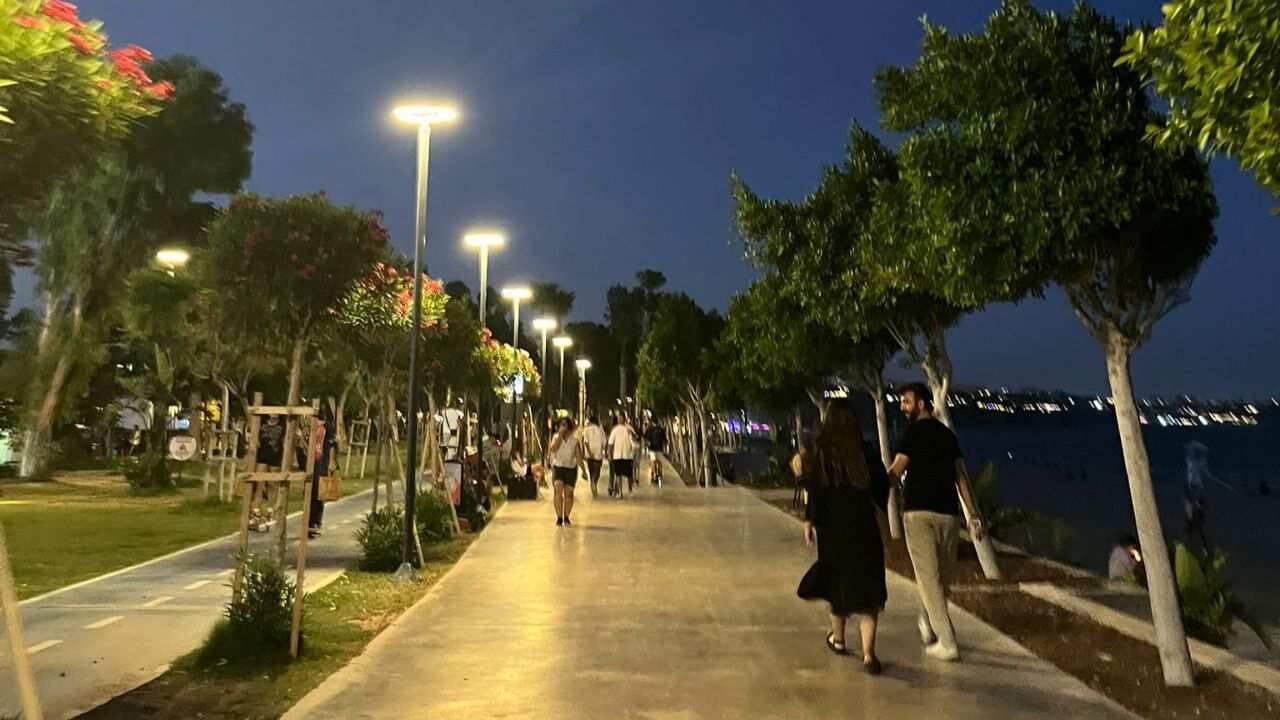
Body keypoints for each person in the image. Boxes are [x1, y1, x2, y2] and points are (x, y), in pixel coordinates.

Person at [886, 382, 984, 663]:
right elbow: (961, 477)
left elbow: (896, 470)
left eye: (906, 402)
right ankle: (930, 624)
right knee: (938, 578)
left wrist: (875, 490)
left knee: (932, 580)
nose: (902, 407)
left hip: (920, 515)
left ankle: (947, 641)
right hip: (947, 516)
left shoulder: (912, 434)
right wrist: (972, 514)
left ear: (921, 404)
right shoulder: (948, 435)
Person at [797, 400, 890, 675]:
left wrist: (809, 521)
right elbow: (880, 487)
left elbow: (816, 492)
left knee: (837, 584)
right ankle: (869, 654)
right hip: (864, 528)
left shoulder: (822, 454)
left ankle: (838, 639)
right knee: (868, 590)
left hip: (833, 530)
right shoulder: (865, 452)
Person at [250, 414, 285, 532]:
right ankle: (255, 513)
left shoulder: (283, 424)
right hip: (262, 455)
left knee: (272, 485)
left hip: (276, 456)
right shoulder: (262, 422)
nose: (274, 414)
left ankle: (270, 512)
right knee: (259, 484)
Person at [548, 417, 585, 525]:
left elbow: (578, 457)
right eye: (561, 425)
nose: (563, 427)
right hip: (558, 467)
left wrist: (583, 470)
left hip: (570, 469)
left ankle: (566, 516)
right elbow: (553, 449)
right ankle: (559, 517)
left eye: (565, 425)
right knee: (558, 490)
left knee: (569, 494)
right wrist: (560, 436)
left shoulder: (574, 441)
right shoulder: (556, 437)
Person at [307, 408, 335, 539]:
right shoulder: (309, 428)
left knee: (320, 494)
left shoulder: (327, 429)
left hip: (322, 463)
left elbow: (331, 446)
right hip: (310, 463)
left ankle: (316, 522)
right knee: (310, 493)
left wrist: (331, 462)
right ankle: (309, 523)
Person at [1183, 441, 1214, 549]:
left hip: (1195, 487)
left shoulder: (1195, 462)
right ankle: (1192, 526)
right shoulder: (1192, 462)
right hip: (1193, 486)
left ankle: (1193, 526)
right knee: (1191, 507)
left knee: (1195, 507)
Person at [608, 415, 637, 498]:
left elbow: (635, 439)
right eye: (618, 419)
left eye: (621, 418)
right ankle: (620, 492)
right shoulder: (615, 430)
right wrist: (610, 454)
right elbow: (610, 443)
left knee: (629, 474)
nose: (619, 420)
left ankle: (630, 487)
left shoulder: (629, 429)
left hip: (627, 455)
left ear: (624, 419)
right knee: (618, 474)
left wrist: (631, 433)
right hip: (617, 455)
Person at [582, 415, 607, 497]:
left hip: (589, 455)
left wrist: (588, 452)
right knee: (597, 472)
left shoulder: (586, 430)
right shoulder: (601, 430)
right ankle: (594, 483)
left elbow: (585, 442)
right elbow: (604, 442)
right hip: (598, 454)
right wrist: (603, 450)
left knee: (591, 471)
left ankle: (593, 484)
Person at [645, 421, 667, 487]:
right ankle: (660, 474)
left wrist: (647, 445)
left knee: (653, 461)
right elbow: (664, 439)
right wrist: (665, 444)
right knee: (659, 462)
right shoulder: (661, 429)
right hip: (659, 448)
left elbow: (647, 438)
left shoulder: (650, 429)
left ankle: (653, 475)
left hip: (652, 448)